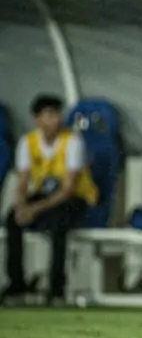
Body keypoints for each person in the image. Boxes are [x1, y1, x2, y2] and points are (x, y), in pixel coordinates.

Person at [0, 94, 98, 306]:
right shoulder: (28, 143)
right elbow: (23, 183)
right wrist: (21, 206)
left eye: (57, 114)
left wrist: (34, 209)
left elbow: (68, 189)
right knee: (12, 220)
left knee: (58, 223)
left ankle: (56, 289)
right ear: (37, 119)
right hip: (44, 198)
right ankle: (16, 285)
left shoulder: (72, 141)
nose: (56, 120)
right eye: (50, 115)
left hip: (76, 198)